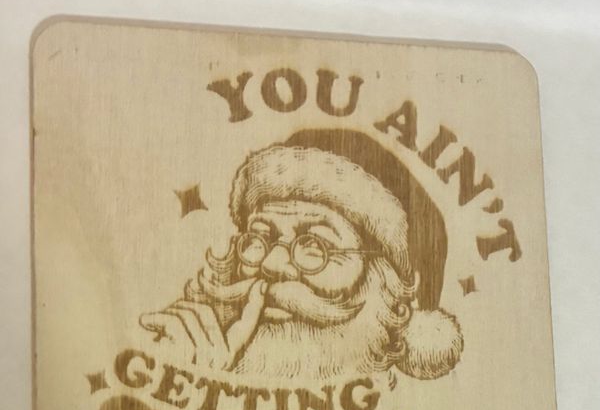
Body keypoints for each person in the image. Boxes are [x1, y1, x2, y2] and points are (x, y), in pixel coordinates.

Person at [140, 129, 463, 382]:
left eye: (315, 246)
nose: (271, 264)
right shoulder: (194, 360)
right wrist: (190, 379)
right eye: (259, 239)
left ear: (393, 294)